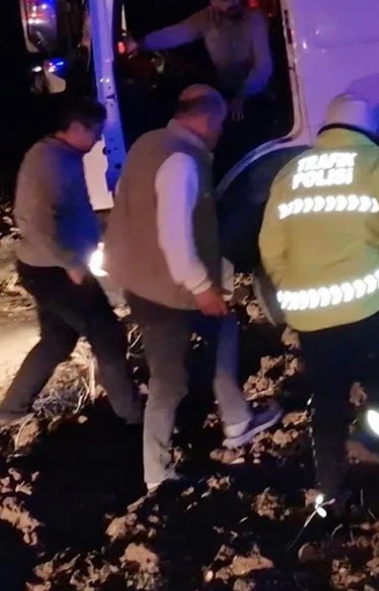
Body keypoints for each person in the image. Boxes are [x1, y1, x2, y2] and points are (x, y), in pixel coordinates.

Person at [259, 93, 379, 516]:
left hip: (308, 312)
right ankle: (376, 424)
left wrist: (293, 289)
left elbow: (269, 247)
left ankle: (329, 492)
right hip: (367, 304)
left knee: (327, 398)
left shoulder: (290, 171)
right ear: (369, 129)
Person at [104, 85, 282, 491]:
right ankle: (157, 473)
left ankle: (237, 419)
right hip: (164, 289)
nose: (220, 132)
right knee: (169, 382)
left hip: (137, 275)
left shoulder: (149, 142)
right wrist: (201, 286)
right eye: (218, 124)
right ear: (204, 119)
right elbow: (175, 237)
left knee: (224, 327)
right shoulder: (182, 163)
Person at [0, 99, 142, 426]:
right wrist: (70, 263)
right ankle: (132, 415)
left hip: (50, 268)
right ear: (76, 127)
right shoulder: (48, 161)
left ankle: (12, 410)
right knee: (108, 334)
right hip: (55, 271)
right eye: (95, 131)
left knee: (57, 340)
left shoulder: (64, 157)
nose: (98, 139)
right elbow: (33, 221)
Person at [127, 0, 273, 123]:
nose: (232, 3)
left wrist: (243, 95)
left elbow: (263, 65)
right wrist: (140, 44)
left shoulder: (254, 18)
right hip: (228, 90)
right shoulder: (206, 18)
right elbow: (175, 33)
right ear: (213, 2)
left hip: (259, 91)